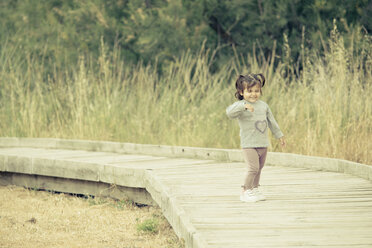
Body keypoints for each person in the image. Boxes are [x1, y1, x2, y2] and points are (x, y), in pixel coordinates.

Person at [226, 73, 285, 203]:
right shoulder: (240, 106)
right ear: (241, 92)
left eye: (256, 91)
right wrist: (243, 105)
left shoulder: (263, 105)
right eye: (249, 91)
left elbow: (271, 121)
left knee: (259, 168)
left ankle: (254, 188)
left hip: (263, 143)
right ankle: (245, 190)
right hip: (249, 144)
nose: (253, 94)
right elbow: (229, 112)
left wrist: (279, 135)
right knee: (253, 168)